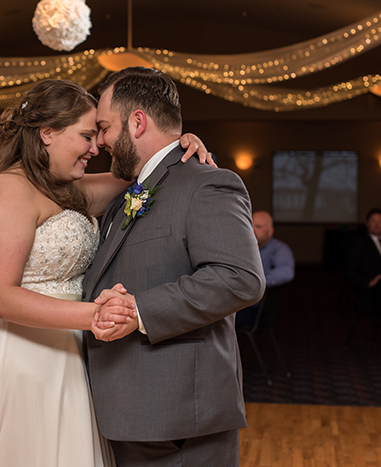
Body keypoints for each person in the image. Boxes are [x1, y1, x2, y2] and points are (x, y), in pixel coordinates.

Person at [0, 79, 211, 467]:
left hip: (61, 349)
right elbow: (0, 297)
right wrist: (96, 314)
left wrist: (179, 144)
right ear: (47, 133)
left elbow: (139, 173)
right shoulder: (7, 191)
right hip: (12, 353)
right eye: (86, 135)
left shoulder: (67, 190)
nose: (96, 146)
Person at [83, 67, 265, 467]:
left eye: (104, 127)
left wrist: (140, 311)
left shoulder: (207, 184)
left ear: (137, 122)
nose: (99, 142)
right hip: (130, 408)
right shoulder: (127, 193)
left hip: (178, 414)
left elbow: (240, 279)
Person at [236, 210, 295, 328]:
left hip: (254, 309)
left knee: (211, 322)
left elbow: (287, 272)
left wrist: (255, 282)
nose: (252, 230)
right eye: (250, 225)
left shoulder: (279, 249)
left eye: (258, 227)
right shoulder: (240, 247)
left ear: (270, 232)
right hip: (236, 301)